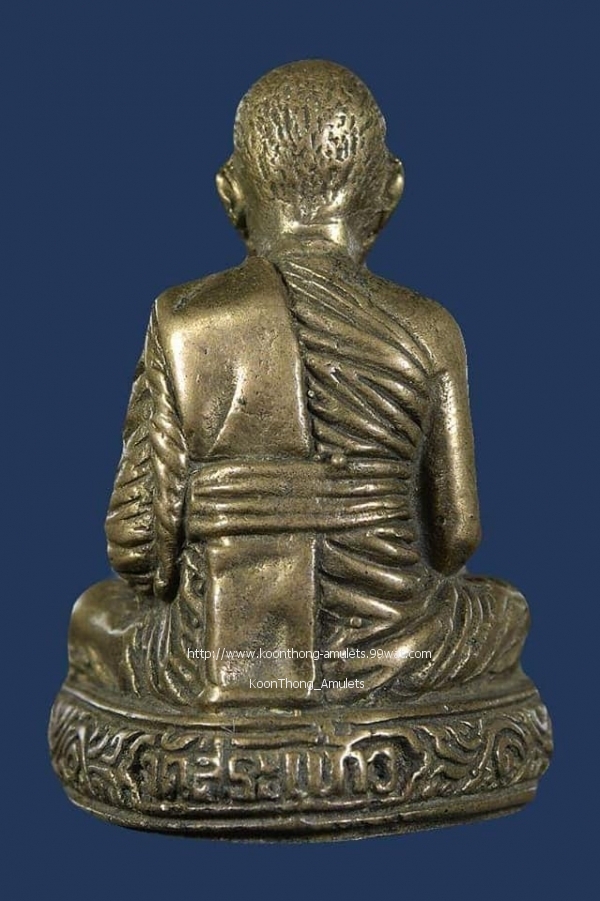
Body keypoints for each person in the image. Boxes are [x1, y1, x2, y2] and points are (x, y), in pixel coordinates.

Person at [68, 60, 529, 708]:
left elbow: (139, 545)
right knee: (505, 608)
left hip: (212, 656)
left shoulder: (186, 320)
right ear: (389, 189)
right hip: (393, 648)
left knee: (95, 613)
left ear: (230, 191)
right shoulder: (430, 328)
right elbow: (455, 541)